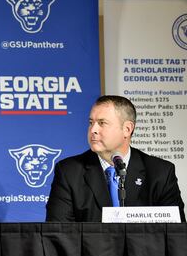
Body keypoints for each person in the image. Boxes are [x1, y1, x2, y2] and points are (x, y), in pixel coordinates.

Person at [46, 95, 185, 222]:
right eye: (91, 122)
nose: (93, 129)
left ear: (127, 129)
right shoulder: (69, 172)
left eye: (102, 123)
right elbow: (59, 234)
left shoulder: (160, 172)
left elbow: (175, 236)